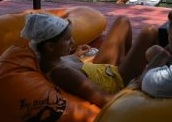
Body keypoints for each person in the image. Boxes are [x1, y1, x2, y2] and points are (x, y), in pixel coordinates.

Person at [21, 12, 160, 107]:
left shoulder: (50, 58)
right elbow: (105, 100)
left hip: (101, 70)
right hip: (117, 81)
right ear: (50, 46)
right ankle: (132, 70)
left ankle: (130, 63)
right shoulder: (62, 73)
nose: (72, 41)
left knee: (122, 21)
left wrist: (76, 55)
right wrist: (135, 86)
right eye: (67, 39)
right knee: (150, 32)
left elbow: (66, 61)